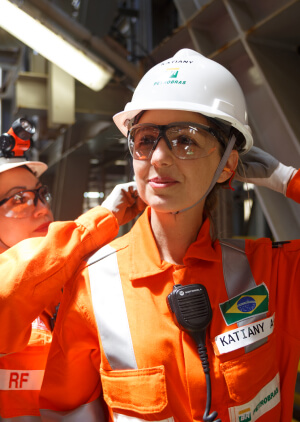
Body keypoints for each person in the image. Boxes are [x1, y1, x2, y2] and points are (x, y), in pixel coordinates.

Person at [38, 49, 300, 422]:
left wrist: (288, 180)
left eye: (186, 139)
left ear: (228, 164)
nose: (158, 157)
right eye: (145, 139)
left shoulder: (270, 272)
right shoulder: (92, 287)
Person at [0, 118, 145, 420]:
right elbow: (12, 288)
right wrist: (102, 218)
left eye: (40, 194)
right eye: (18, 199)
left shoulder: (72, 281)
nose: (41, 208)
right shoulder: (11, 293)